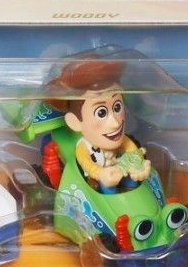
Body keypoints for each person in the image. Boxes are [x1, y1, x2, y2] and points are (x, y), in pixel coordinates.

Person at [53, 57, 152, 193]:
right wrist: (100, 174)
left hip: (121, 172)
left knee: (131, 180)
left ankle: (132, 190)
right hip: (99, 182)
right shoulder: (84, 147)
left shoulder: (123, 140)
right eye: (101, 113)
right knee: (107, 187)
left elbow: (133, 151)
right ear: (75, 122)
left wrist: (138, 165)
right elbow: (87, 164)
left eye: (117, 107)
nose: (115, 123)